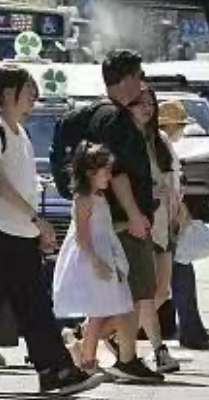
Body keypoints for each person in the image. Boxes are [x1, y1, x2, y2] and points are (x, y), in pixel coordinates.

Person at [0, 66, 99, 395]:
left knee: (33, 307)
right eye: (27, 89)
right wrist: (37, 220)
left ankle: (54, 372)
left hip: (18, 236)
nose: (33, 95)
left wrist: (35, 229)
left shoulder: (21, 133)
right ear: (7, 94)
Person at [51, 143, 161, 382]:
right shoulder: (83, 200)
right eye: (105, 172)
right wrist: (96, 260)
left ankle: (84, 353)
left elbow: (106, 231)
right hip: (90, 259)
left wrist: (113, 257)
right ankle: (87, 360)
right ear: (91, 173)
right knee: (98, 312)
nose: (109, 177)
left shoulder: (100, 197)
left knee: (108, 309)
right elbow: (81, 236)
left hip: (106, 256)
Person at [88, 51, 165, 373]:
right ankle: (126, 358)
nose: (142, 82)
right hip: (123, 221)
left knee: (128, 294)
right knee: (134, 292)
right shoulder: (116, 119)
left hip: (115, 218)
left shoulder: (99, 114)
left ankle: (106, 354)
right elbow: (116, 172)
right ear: (126, 79)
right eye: (139, 74)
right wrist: (135, 215)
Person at [127, 87, 183, 373]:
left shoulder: (159, 139)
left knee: (162, 290)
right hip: (142, 223)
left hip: (165, 224)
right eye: (141, 104)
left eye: (151, 104)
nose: (147, 109)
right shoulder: (128, 141)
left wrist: (178, 208)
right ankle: (158, 350)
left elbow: (175, 178)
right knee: (146, 292)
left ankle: (93, 335)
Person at [158, 101, 209, 350]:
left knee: (178, 278)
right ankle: (191, 332)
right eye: (180, 125)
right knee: (179, 278)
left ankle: (190, 330)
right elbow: (167, 183)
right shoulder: (162, 143)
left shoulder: (163, 143)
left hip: (169, 217)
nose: (182, 131)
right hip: (166, 220)